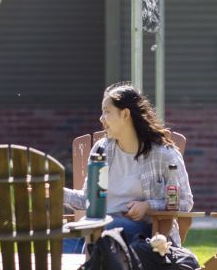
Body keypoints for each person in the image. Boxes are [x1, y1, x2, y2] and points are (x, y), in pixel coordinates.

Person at [64, 82, 193, 246]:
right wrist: (55, 192)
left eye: (107, 112)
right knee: (68, 239)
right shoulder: (102, 149)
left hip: (147, 234)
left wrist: (148, 206)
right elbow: (88, 199)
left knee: (101, 232)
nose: (101, 118)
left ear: (125, 114)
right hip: (99, 224)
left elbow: (184, 202)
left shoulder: (163, 155)